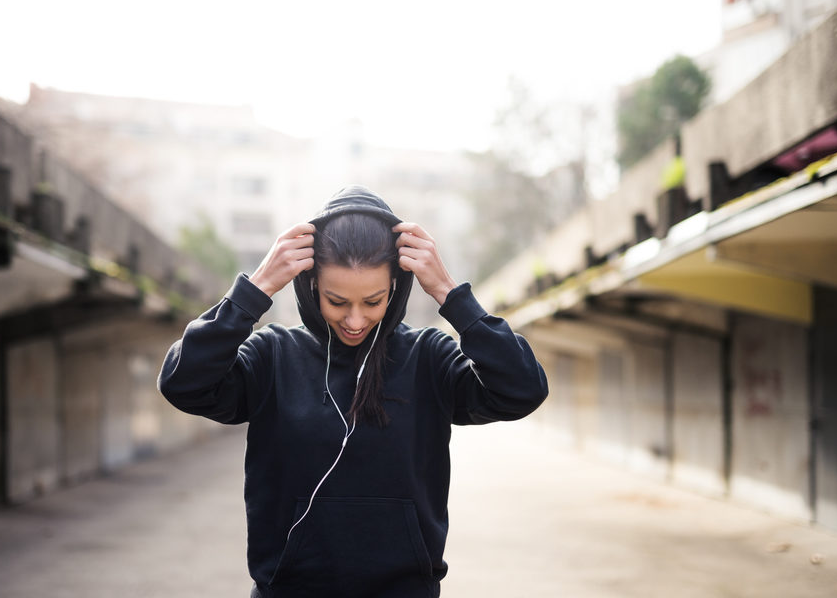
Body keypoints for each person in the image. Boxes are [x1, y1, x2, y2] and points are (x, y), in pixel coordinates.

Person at [158, 185, 548, 597]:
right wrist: (252, 294)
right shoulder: (273, 355)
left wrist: (452, 296)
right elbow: (184, 383)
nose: (356, 320)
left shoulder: (429, 357)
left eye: (374, 301)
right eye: (337, 301)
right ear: (311, 286)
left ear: (396, 289)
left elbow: (522, 389)